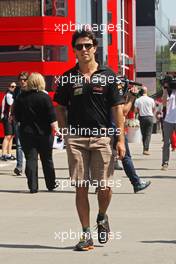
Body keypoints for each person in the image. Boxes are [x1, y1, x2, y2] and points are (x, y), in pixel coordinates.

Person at [54, 29, 125, 251]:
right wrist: (66, 133)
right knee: (81, 187)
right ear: (74, 50)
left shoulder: (109, 75)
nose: (83, 49)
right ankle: (86, 234)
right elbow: (60, 107)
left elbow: (118, 109)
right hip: (76, 139)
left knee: (104, 186)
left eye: (87, 45)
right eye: (79, 46)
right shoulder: (68, 77)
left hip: (102, 138)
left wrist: (120, 139)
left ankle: (102, 217)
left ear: (95, 48)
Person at [14, 72, 59, 193]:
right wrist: (57, 130)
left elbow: (16, 116)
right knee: (47, 159)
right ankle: (51, 184)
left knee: (30, 159)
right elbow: (52, 117)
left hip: (26, 133)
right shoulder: (45, 97)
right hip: (44, 133)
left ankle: (33, 186)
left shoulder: (21, 97)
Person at [13, 72, 29, 175]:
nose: (22, 81)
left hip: (29, 121)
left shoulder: (30, 90)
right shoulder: (17, 90)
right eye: (20, 79)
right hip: (18, 120)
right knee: (19, 145)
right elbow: (14, 103)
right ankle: (19, 167)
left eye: (24, 79)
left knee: (28, 145)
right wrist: (11, 114)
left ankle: (29, 167)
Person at [134, 86, 155, 155]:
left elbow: (135, 110)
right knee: (148, 134)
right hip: (150, 117)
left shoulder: (138, 100)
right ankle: (146, 149)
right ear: (146, 91)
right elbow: (153, 109)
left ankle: (144, 148)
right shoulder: (151, 99)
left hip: (142, 117)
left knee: (143, 134)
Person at [161, 82, 176, 170]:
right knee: (166, 143)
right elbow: (163, 103)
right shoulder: (169, 92)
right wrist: (165, 90)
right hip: (168, 120)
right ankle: (165, 163)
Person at [1, 82, 16, 161]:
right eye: (12, 86)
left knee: (11, 136)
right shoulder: (8, 95)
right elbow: (10, 103)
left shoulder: (12, 95)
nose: (13, 88)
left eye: (15, 87)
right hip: (7, 117)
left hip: (11, 117)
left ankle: (9, 153)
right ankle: (3, 154)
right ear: (9, 87)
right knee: (8, 136)